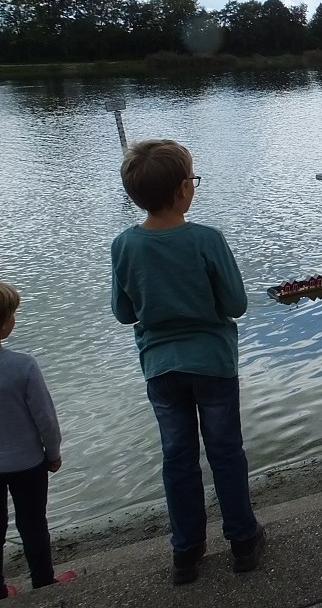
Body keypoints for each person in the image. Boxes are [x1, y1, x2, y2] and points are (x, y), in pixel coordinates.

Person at [110, 140, 265, 586]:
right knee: (226, 454)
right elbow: (235, 303)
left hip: (160, 368)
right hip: (213, 364)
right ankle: (242, 542)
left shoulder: (125, 245)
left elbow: (124, 313)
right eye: (193, 180)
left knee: (177, 458)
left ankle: (186, 553)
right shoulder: (206, 239)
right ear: (183, 190)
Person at [0, 283, 75, 598]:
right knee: (33, 522)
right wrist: (53, 453)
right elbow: (45, 418)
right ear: (4, 323)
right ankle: (43, 580)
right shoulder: (23, 366)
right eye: (13, 313)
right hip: (28, 462)